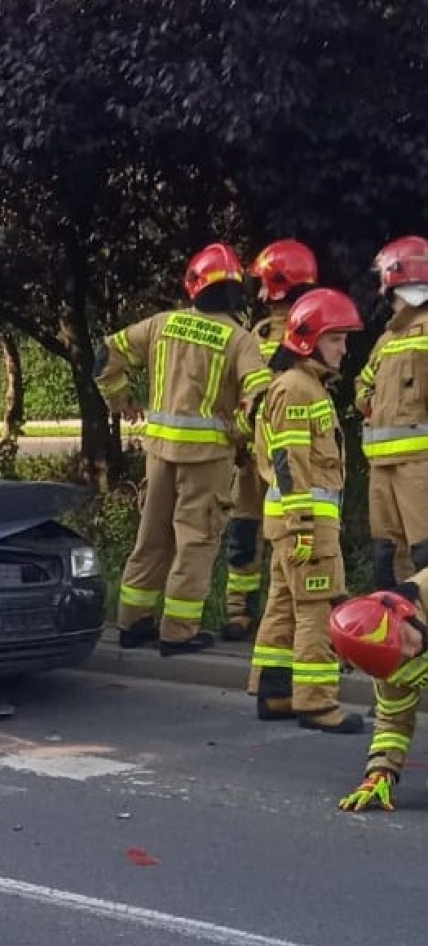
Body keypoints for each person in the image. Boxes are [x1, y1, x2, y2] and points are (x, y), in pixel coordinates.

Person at [96, 243, 274, 655]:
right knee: (196, 540)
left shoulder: (161, 324)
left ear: (194, 286)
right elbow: (259, 398)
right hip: (208, 459)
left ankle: (133, 623)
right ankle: (178, 632)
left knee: (152, 535)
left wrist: (120, 401)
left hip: (159, 454)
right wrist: (242, 434)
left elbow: (105, 355)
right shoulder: (240, 339)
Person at [248, 287, 365, 732]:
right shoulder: (298, 390)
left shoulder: (301, 386)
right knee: (316, 608)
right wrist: (301, 525)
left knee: (283, 605)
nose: (344, 348)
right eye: (336, 339)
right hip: (306, 524)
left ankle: (276, 692)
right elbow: (289, 462)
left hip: (294, 522)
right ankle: (316, 703)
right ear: (310, 339)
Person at [222, 239, 320, 640]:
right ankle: (257, 613)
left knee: (271, 532)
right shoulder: (270, 332)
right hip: (272, 454)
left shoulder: (293, 333)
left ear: (281, 284)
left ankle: (263, 613)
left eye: (264, 284)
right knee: (263, 532)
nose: (260, 293)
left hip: (273, 453)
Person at [355, 235, 428, 588]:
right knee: (387, 553)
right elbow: (362, 384)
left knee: (424, 551)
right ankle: (395, 631)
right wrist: (366, 398)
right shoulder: (387, 340)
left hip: (420, 464)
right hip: (380, 466)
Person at [329, 578, 428, 810]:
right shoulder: (386, 664)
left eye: (405, 638)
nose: (411, 650)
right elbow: (394, 722)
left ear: (403, 612)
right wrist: (381, 772)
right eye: (400, 658)